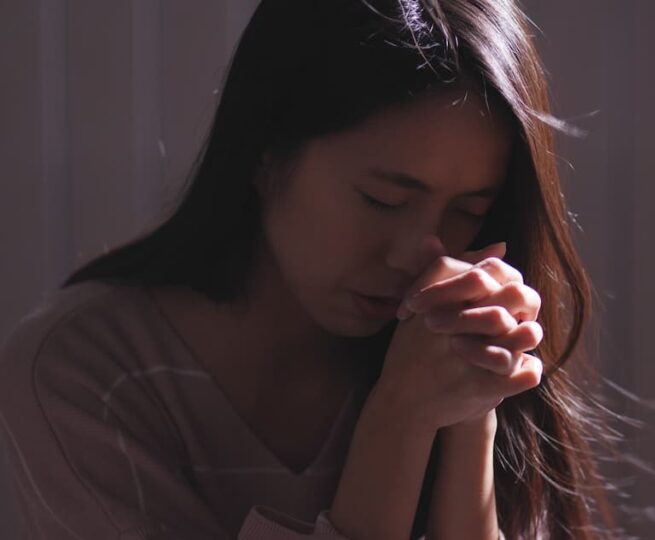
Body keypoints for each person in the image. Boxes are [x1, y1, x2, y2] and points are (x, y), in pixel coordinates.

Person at [0, 1, 619, 538]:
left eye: (468, 211)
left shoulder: (441, 347)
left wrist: (469, 414)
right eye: (382, 200)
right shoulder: (80, 372)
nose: (421, 254)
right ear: (266, 154)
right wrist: (397, 421)